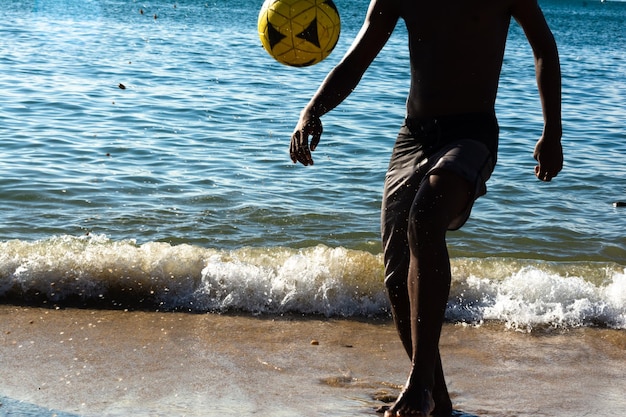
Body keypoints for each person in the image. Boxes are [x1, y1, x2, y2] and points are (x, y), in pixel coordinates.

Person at [290, 0, 563, 415]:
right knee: (397, 274)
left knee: (425, 220)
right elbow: (358, 56)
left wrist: (552, 130)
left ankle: (418, 384)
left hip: (471, 135)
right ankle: (438, 399)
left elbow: (543, 46)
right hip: (413, 137)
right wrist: (313, 109)